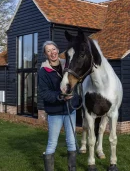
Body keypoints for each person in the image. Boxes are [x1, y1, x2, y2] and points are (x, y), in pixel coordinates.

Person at [39, 40, 79, 171]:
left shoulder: (68, 65)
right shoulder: (43, 71)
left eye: (54, 49)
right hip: (55, 112)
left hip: (70, 110)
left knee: (72, 141)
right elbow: (45, 94)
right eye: (48, 51)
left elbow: (76, 82)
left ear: (58, 50)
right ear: (46, 54)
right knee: (52, 143)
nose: (52, 53)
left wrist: (75, 96)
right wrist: (60, 96)